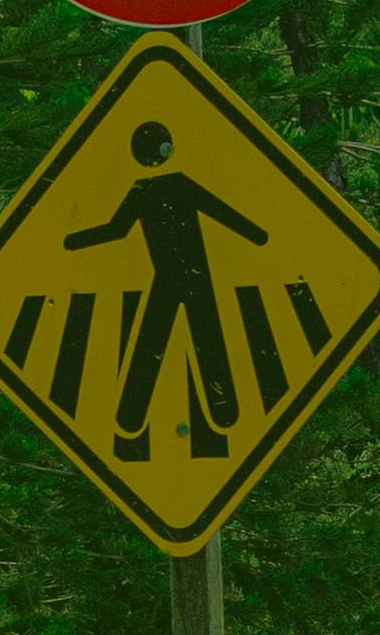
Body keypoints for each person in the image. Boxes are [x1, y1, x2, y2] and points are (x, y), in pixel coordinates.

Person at [64, 120, 271, 455]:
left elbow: (116, 230)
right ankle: (221, 412)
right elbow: (223, 213)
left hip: (175, 277)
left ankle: (133, 416)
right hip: (188, 276)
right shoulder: (168, 185)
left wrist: (74, 240)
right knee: (200, 338)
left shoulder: (146, 189)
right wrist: (258, 236)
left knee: (157, 340)